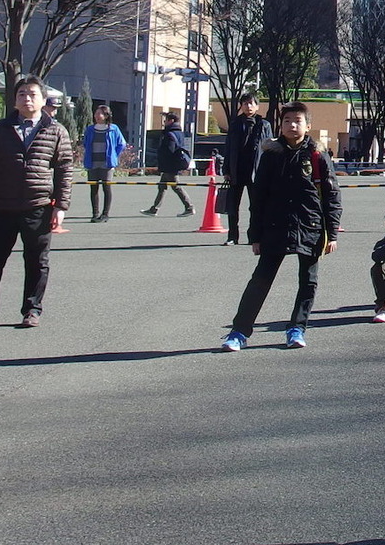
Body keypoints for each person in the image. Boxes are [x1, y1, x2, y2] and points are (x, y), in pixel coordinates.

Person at [218, 100, 341, 351]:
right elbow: (258, 198)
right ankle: (239, 331)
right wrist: (255, 234)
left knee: (308, 281)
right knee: (261, 279)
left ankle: (297, 327)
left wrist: (333, 232)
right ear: (280, 125)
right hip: (275, 226)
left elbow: (332, 196)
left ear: (308, 125)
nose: (291, 125)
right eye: (287, 121)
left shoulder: (317, 154)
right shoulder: (271, 154)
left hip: (311, 226)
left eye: (297, 121)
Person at [0, 75, 74, 330]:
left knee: (37, 261)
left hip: (38, 205)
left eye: (32, 94)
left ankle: (32, 310)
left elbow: (64, 169)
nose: (27, 98)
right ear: (15, 100)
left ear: (42, 99)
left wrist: (61, 205)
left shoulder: (56, 130)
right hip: (2, 206)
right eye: (21, 94)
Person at [220, 93, 272, 246]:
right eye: (245, 103)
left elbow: (269, 148)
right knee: (232, 207)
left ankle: (254, 237)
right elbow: (228, 148)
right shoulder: (235, 124)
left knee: (255, 206)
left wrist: (269, 170)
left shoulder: (264, 124)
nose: (248, 106)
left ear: (257, 106)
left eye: (251, 103)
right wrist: (226, 170)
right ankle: (232, 236)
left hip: (257, 171)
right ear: (241, 106)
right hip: (237, 169)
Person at [79, 104, 127, 223]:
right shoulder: (90, 129)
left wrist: (114, 155)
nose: (96, 115)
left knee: (107, 188)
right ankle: (95, 213)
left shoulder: (113, 128)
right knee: (93, 188)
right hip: (92, 162)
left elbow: (122, 143)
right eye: (96, 113)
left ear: (106, 115)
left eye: (99, 113)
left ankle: (105, 214)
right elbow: (85, 143)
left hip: (107, 164)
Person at [144, 111, 194, 216]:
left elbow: (168, 151)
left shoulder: (170, 134)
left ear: (171, 121)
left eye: (165, 120)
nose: (164, 122)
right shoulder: (179, 132)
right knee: (162, 186)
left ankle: (189, 207)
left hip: (170, 166)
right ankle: (154, 208)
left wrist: (162, 163)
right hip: (173, 165)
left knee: (176, 186)